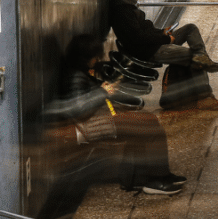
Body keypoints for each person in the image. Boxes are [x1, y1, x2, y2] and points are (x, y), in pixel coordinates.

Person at [44, 35, 186, 195]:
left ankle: (147, 178)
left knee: (146, 122)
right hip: (88, 127)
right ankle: (156, 179)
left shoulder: (75, 71)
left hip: (94, 122)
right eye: (96, 56)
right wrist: (102, 91)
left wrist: (101, 89)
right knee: (149, 126)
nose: (98, 59)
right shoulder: (75, 76)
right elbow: (79, 107)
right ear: (88, 56)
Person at [108, 0, 218, 111]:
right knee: (192, 57)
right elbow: (139, 38)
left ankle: (202, 56)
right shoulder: (123, 12)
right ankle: (205, 98)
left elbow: (144, 32)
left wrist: (161, 32)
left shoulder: (126, 7)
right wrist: (165, 39)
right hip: (151, 50)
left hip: (155, 42)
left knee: (190, 29)